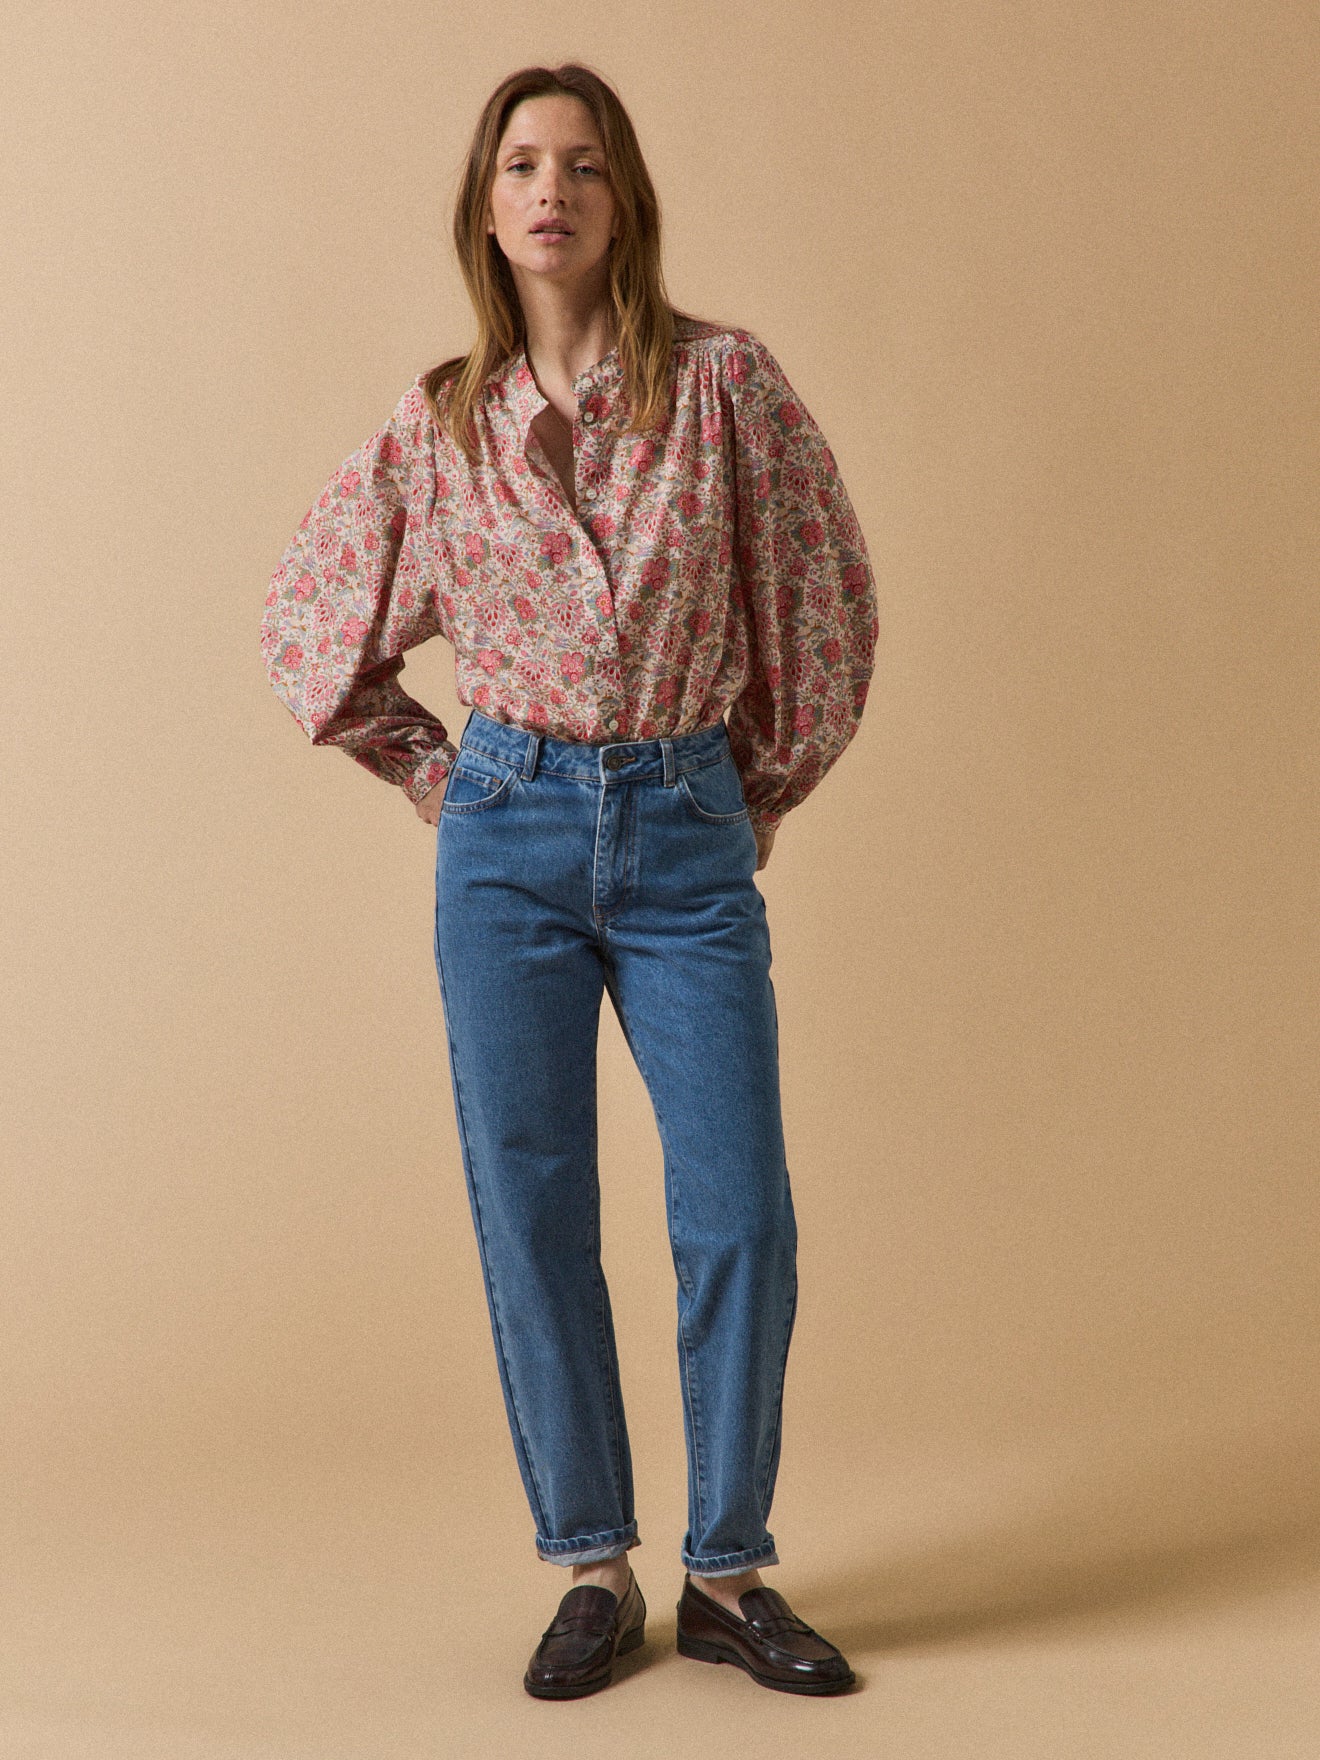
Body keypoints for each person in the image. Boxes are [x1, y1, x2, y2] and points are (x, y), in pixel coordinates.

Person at [261, 61, 878, 1699]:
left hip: (683, 834)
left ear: (625, 201)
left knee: (739, 1209)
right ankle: (593, 1567)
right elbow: (308, 625)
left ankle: (729, 1573)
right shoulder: (440, 423)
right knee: (532, 1207)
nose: (554, 190)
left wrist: (748, 790)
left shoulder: (726, 390)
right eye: (525, 164)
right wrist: (440, 775)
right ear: (487, 206)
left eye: (585, 164)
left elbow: (823, 601)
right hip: (509, 843)